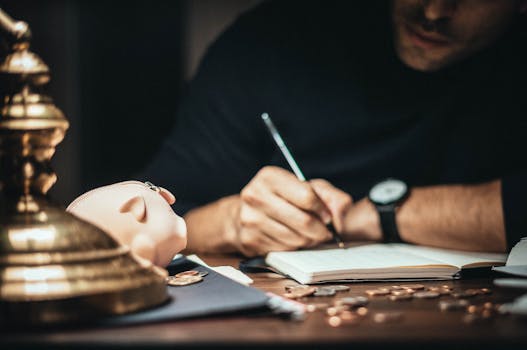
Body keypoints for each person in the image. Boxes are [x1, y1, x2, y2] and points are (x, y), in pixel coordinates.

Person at [142, 0, 527, 257]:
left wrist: (380, 215)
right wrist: (233, 221)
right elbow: (149, 215)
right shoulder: (274, 41)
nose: (434, 10)